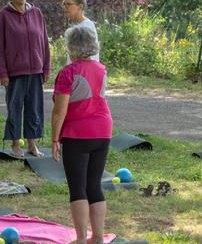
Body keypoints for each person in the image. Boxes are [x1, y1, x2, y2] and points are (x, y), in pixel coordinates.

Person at [52, 24, 113, 244]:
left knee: (78, 187)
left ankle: (80, 238)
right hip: (103, 131)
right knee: (94, 185)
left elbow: (60, 111)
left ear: (70, 48)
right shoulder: (101, 69)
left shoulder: (68, 73)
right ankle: (97, 237)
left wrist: (55, 139)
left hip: (77, 134)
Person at [0, 0, 50, 158]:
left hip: (36, 71)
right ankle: (15, 144)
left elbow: (44, 42)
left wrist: (46, 68)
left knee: (34, 109)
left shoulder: (37, 13)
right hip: (14, 73)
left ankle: (32, 145)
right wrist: (3, 72)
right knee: (15, 108)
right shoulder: (3, 15)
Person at [62, 0, 99, 64]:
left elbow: (88, 59)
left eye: (68, 4)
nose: (65, 7)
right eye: (64, 4)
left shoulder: (86, 27)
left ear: (80, 6)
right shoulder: (76, 26)